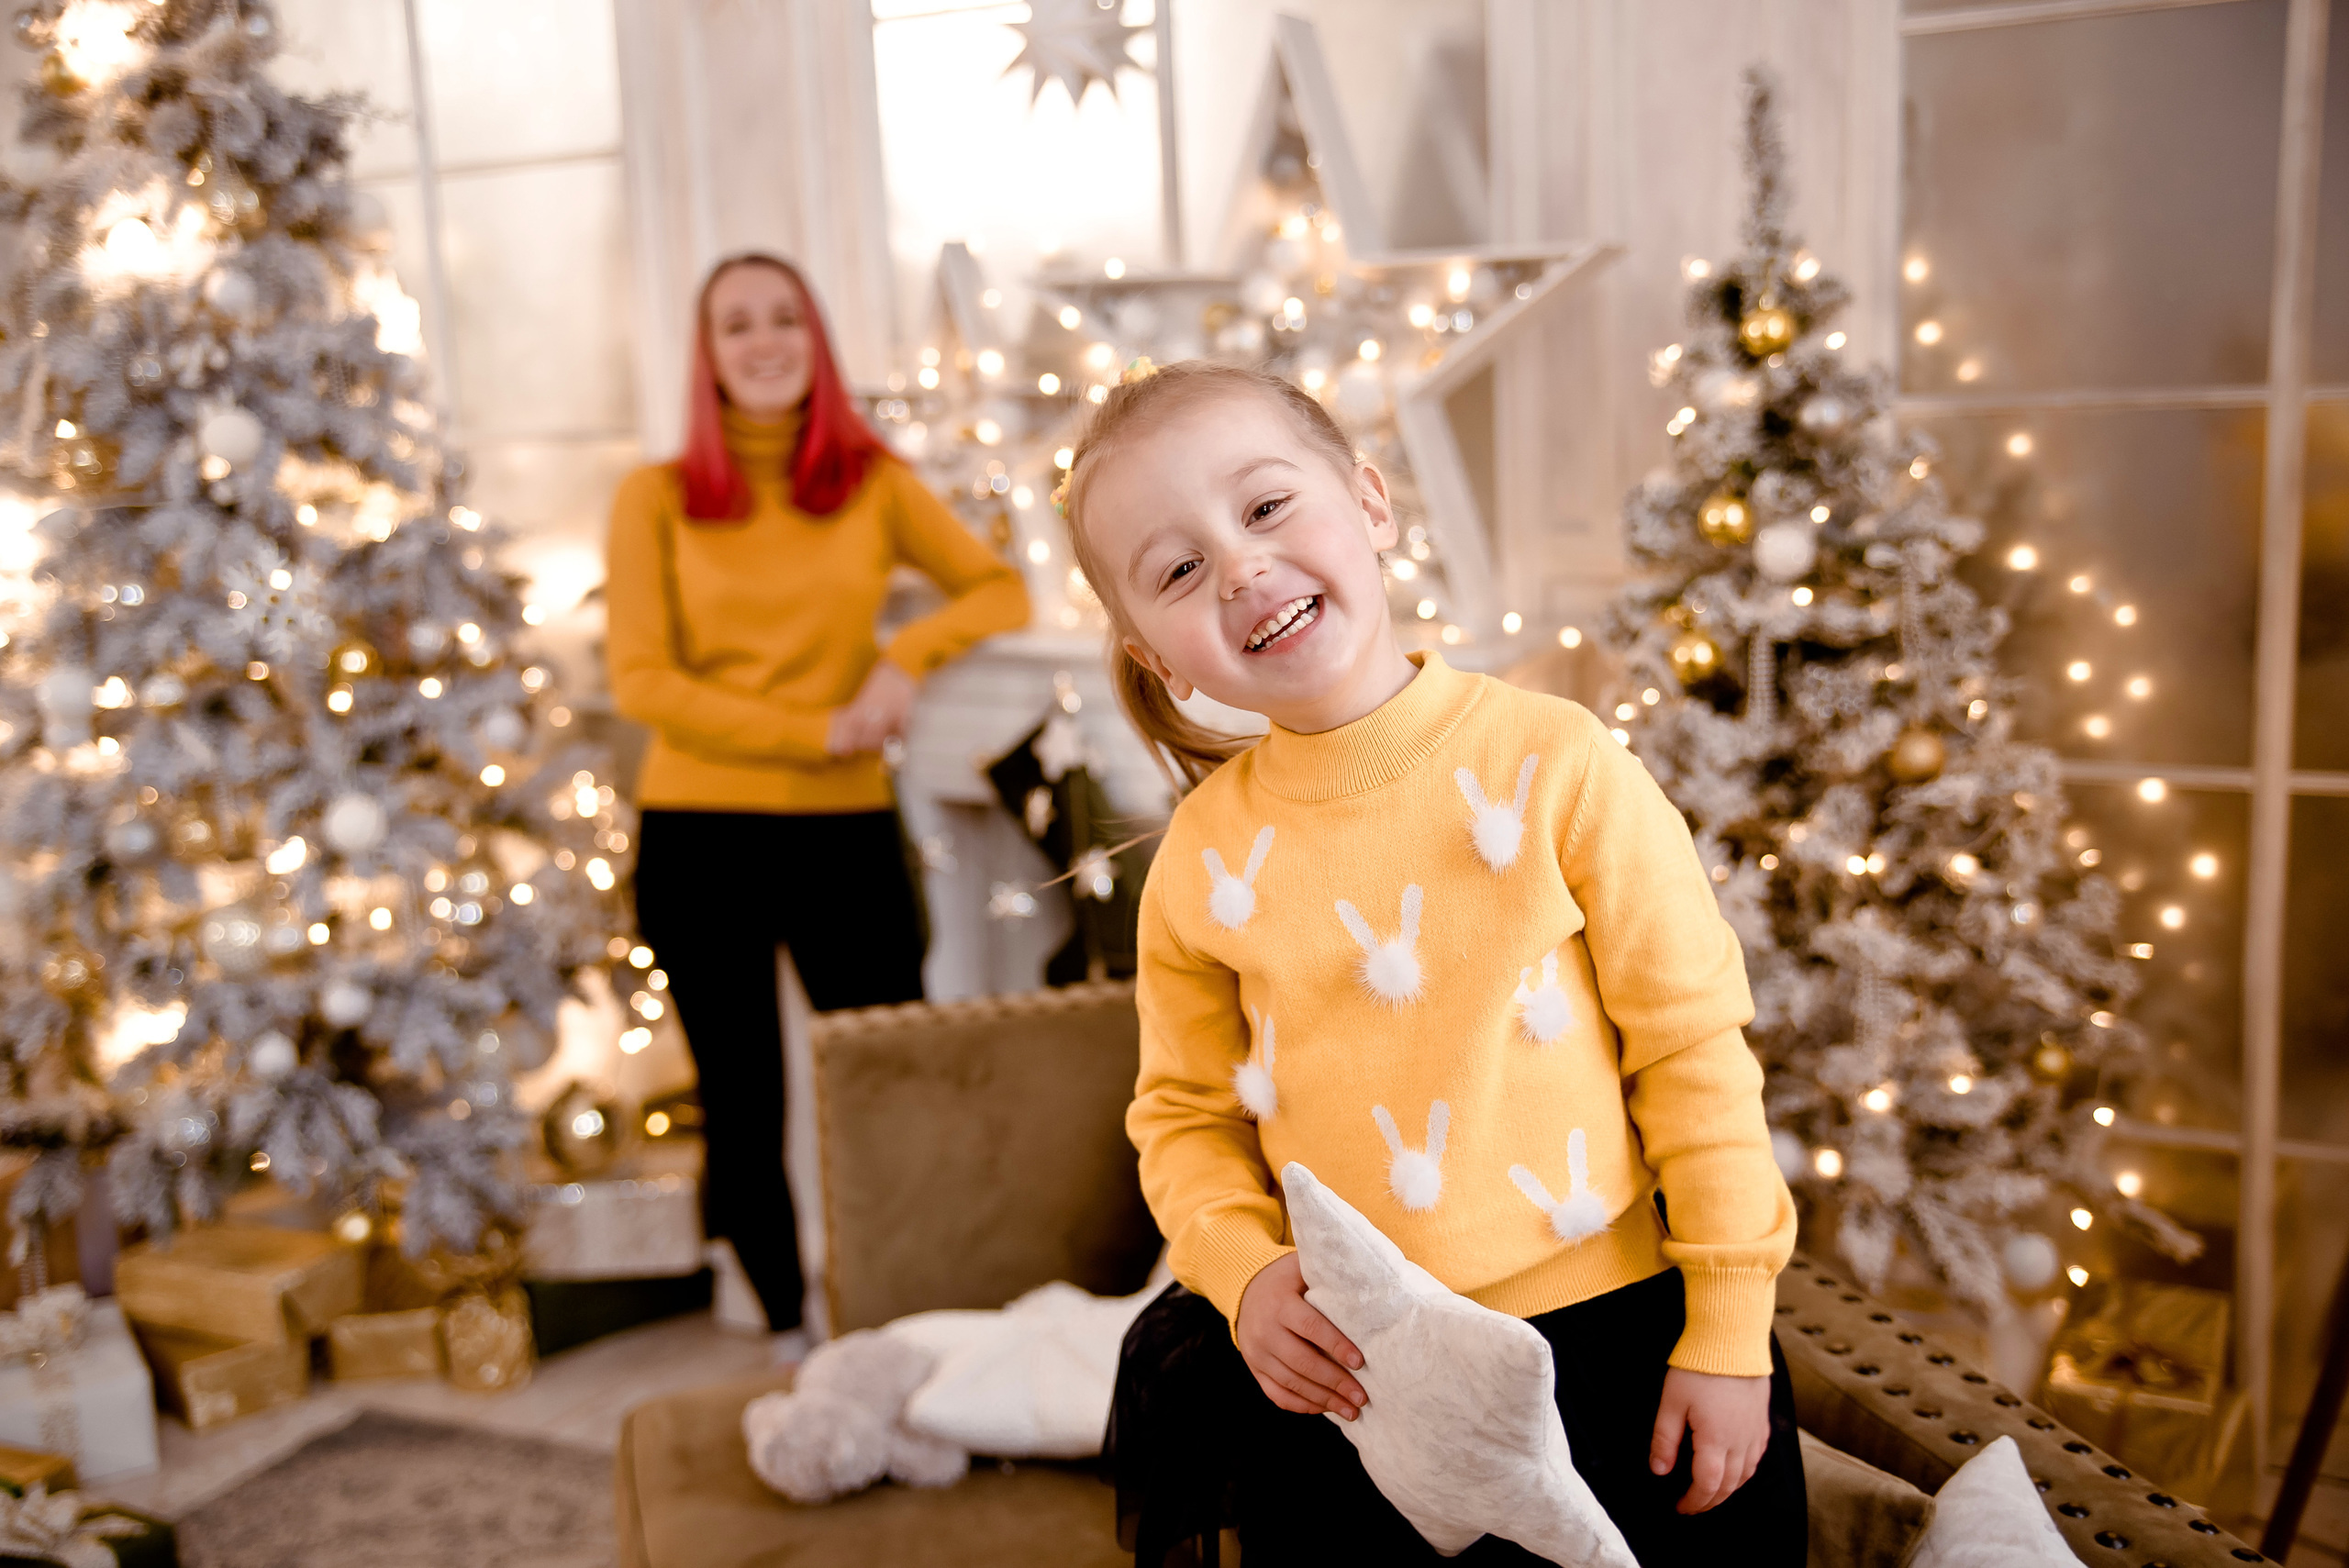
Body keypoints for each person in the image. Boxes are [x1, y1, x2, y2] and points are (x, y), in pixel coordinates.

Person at [1070, 361, 1806, 1564]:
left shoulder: (1560, 764)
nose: (1241, 568)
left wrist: (1726, 1328)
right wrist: (1246, 1276)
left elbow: (1692, 1053)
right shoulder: (1203, 859)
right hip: (1360, 1379)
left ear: (1370, 501)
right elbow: (1185, 1117)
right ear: (1160, 659)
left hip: (1608, 1343)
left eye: (1265, 507)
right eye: (1179, 569)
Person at [605, 255, 1030, 1338]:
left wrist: (902, 662)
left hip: (843, 829)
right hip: (699, 832)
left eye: (784, 318)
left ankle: (909, 1311)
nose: (764, 341)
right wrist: (816, 730)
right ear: (707, 355)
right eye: (736, 323)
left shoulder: (872, 482)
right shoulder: (654, 497)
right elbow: (642, 681)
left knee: (891, 1078)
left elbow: (1000, 587)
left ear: (817, 340)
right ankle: (789, 1329)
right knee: (743, 1098)